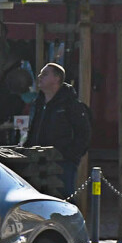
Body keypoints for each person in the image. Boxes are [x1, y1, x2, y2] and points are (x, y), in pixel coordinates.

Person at [23, 62, 92, 198]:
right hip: (38, 161)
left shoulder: (71, 105)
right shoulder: (38, 104)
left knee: (63, 200)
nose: (39, 77)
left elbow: (83, 133)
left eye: (45, 74)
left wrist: (69, 155)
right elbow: (33, 130)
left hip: (62, 163)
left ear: (57, 79)